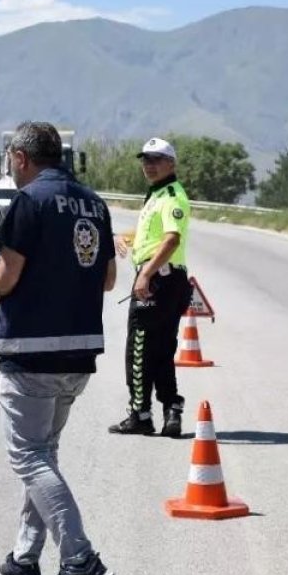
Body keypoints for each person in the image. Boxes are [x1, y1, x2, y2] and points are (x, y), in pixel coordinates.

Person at [0, 121, 118, 575]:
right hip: (79, 355)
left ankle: (80, 559)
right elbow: (107, 278)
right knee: (45, 452)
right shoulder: (94, 204)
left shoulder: (29, 202)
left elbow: (7, 275)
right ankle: (25, 557)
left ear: (21, 157)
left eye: (10, 160)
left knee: (28, 456)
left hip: (32, 354)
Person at [109, 137, 193, 438]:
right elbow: (152, 235)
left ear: (171, 163)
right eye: (145, 160)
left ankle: (140, 414)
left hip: (159, 280)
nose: (149, 165)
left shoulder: (171, 195)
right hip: (165, 279)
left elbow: (171, 239)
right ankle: (172, 409)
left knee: (139, 349)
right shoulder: (156, 195)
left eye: (156, 159)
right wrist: (126, 238)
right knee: (159, 351)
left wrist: (145, 273)